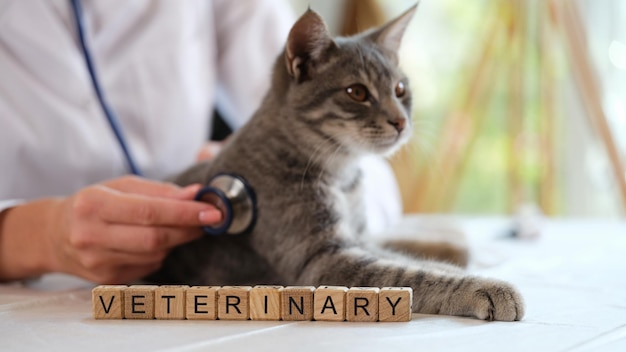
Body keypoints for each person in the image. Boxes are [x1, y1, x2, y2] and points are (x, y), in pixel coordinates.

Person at [0, 0, 402, 284]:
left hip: (205, 273)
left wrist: (278, 187)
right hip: (36, 296)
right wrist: (43, 235)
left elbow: (363, 164)